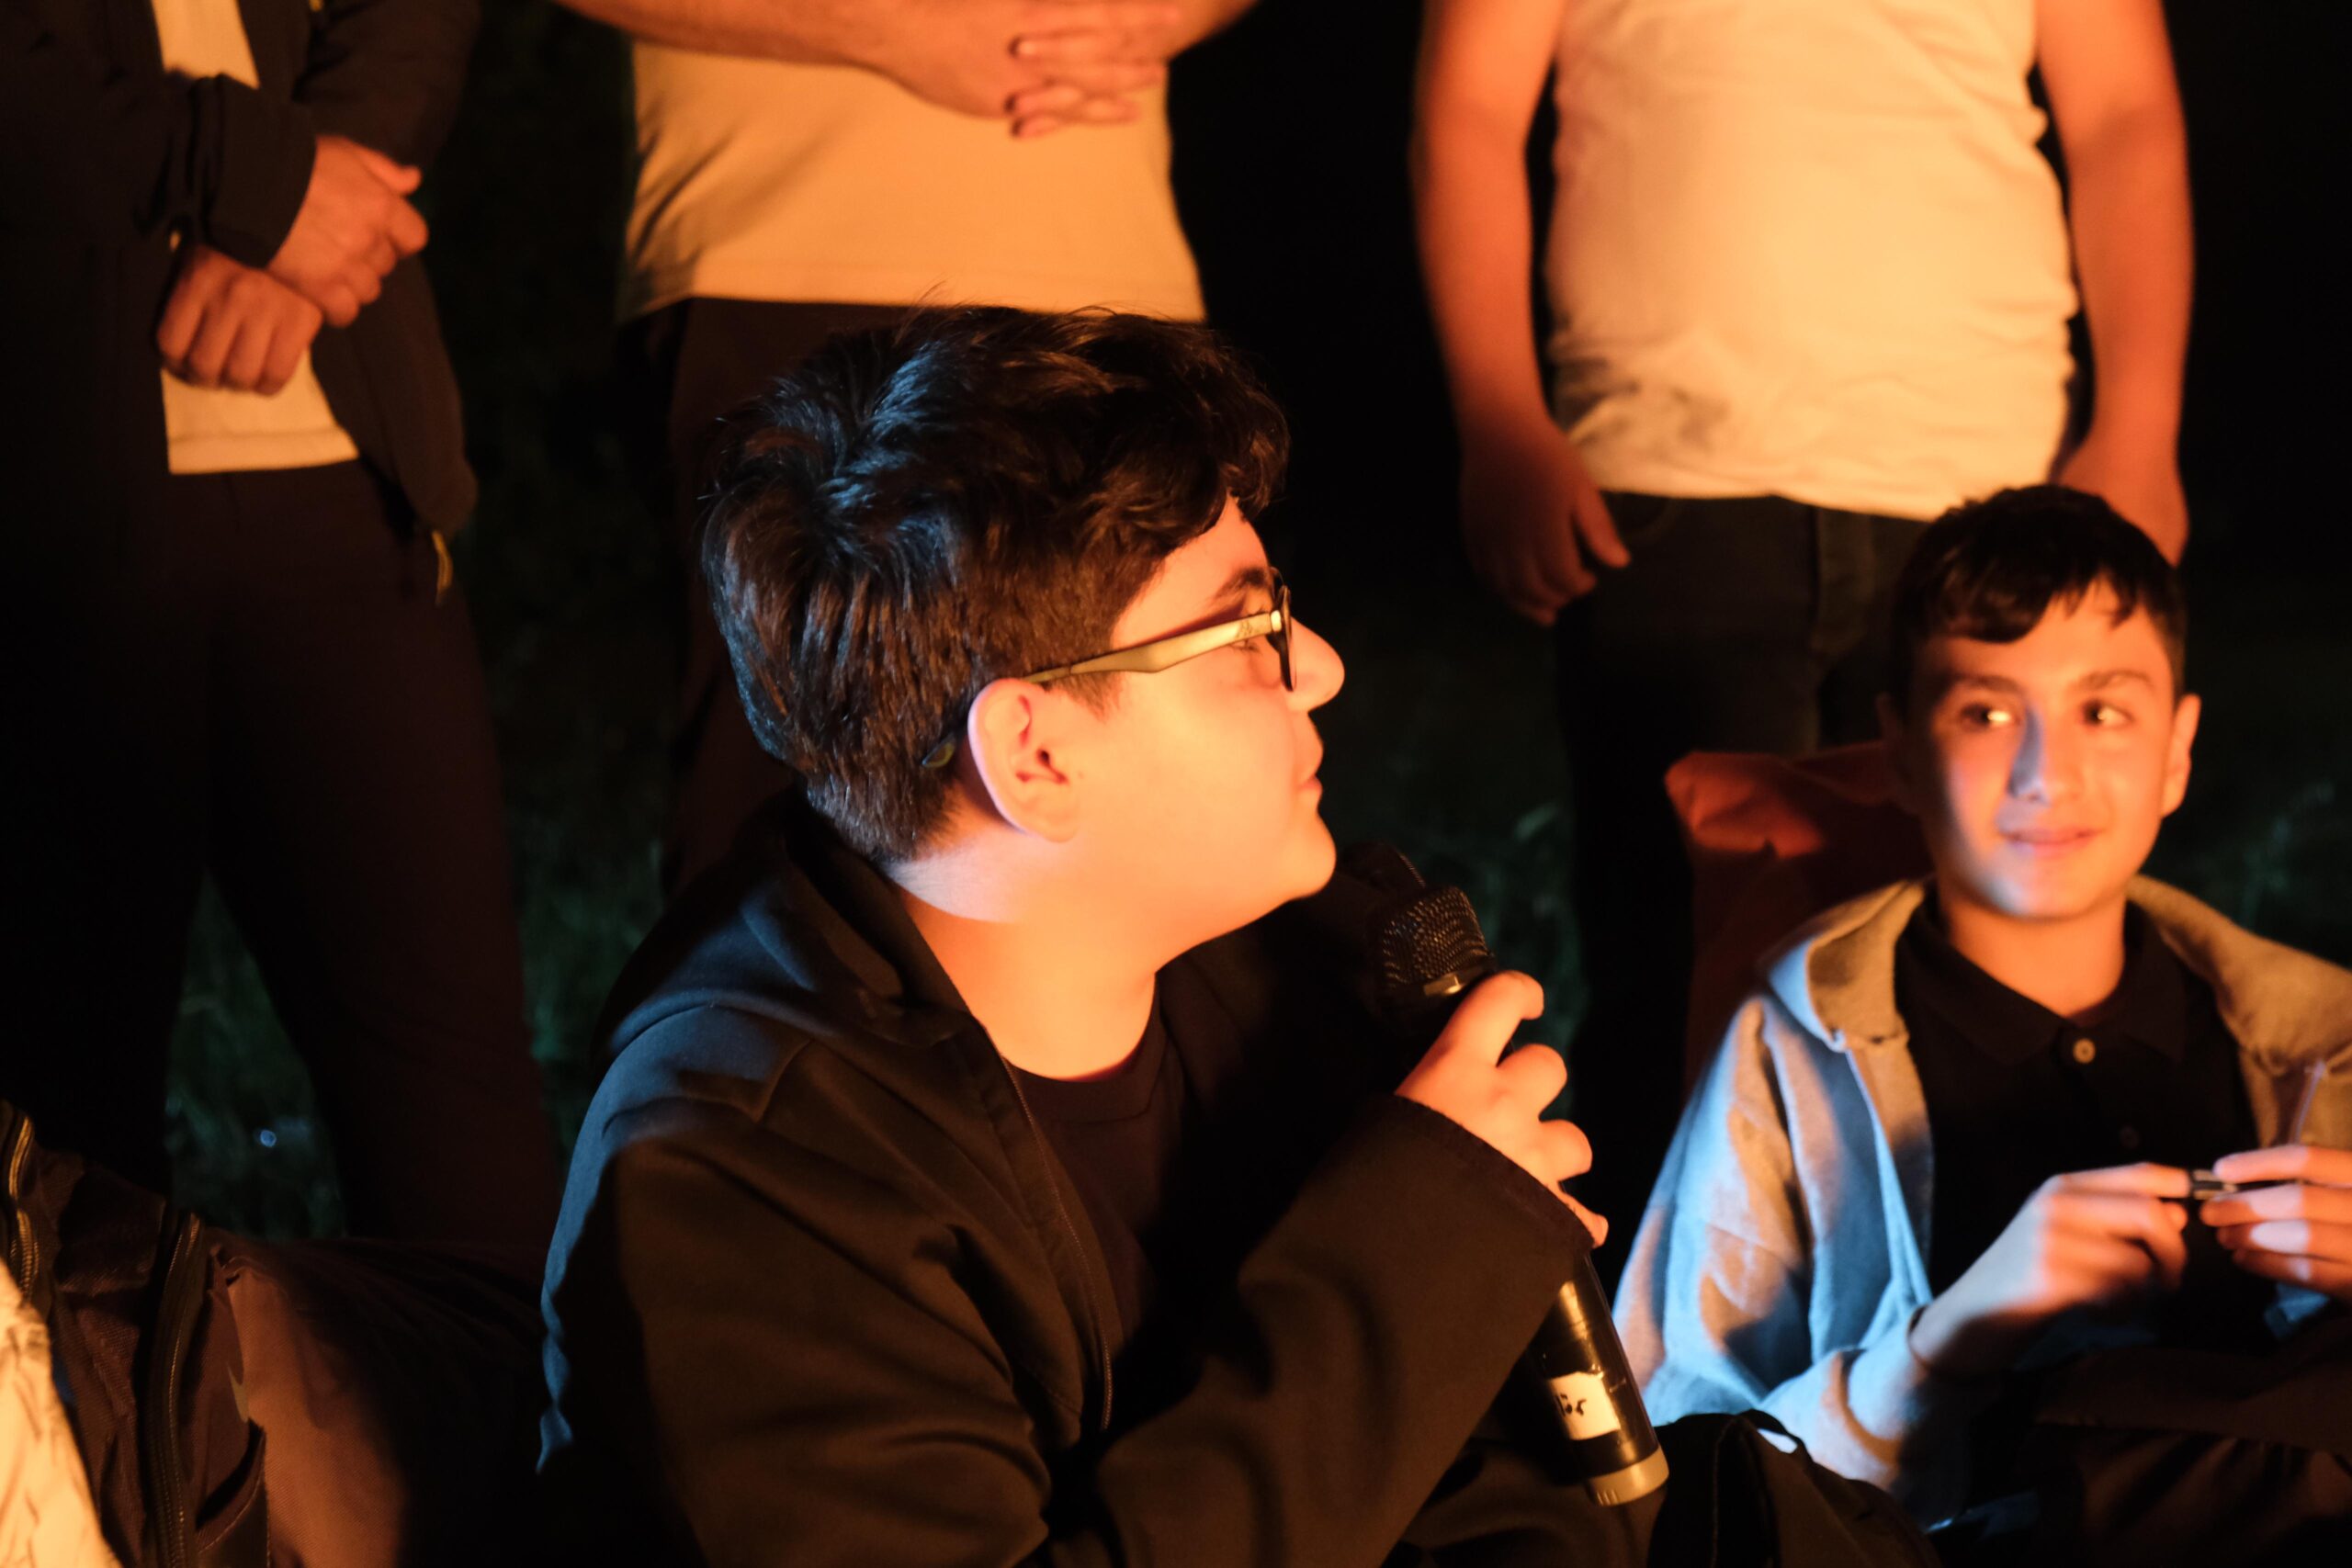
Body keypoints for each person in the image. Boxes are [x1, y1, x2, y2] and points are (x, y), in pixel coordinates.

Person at [536, 308, 1660, 1562]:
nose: (1323, 667)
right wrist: (1402, 1277)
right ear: (1035, 754)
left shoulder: (1297, 964)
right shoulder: (744, 1186)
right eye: (1250, 632)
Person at [1411, 0, 2195, 1255]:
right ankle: (1661, 1349)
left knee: (1988, 965)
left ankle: (1989, 1331)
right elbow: (1470, 104)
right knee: (1680, 970)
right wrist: (1499, 417)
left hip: (1984, 473)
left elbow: (2123, 117)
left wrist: (2141, 424)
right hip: (1670, 482)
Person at [1614, 488, 2352, 1522]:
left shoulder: (2321, 1040)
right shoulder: (1790, 1043)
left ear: (2178, 749)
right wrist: (1940, 1344)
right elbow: (1671, 1480)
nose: (2047, 774)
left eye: (2103, 711)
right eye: (1987, 713)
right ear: (1901, 752)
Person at [0, 0, 558, 1245]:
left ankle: (489, 1384)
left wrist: (311, 215)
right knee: (62, 1139)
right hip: (44, 499)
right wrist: (263, 178)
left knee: (460, 1126)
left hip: (345, 466)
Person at [544, 0, 1255, 891]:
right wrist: (892, 29)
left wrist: (1159, 16)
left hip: (1107, 262)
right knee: (779, 806)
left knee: (1163, 779)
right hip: (786, 246)